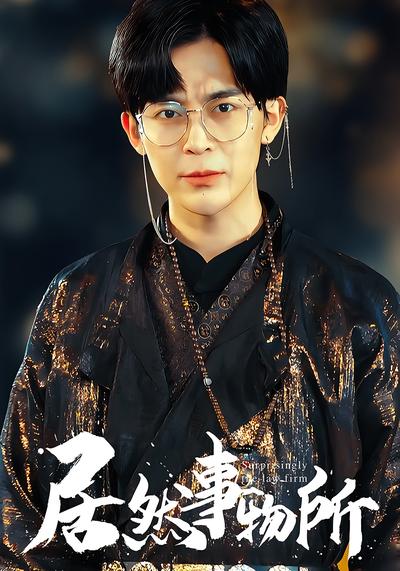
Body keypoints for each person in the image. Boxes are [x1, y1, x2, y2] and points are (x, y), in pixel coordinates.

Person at [0, 1, 399, 570]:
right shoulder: (79, 301)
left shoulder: (356, 307)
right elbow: (21, 525)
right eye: (168, 112)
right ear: (134, 130)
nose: (197, 140)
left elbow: (392, 529)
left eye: (224, 107)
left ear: (272, 116)